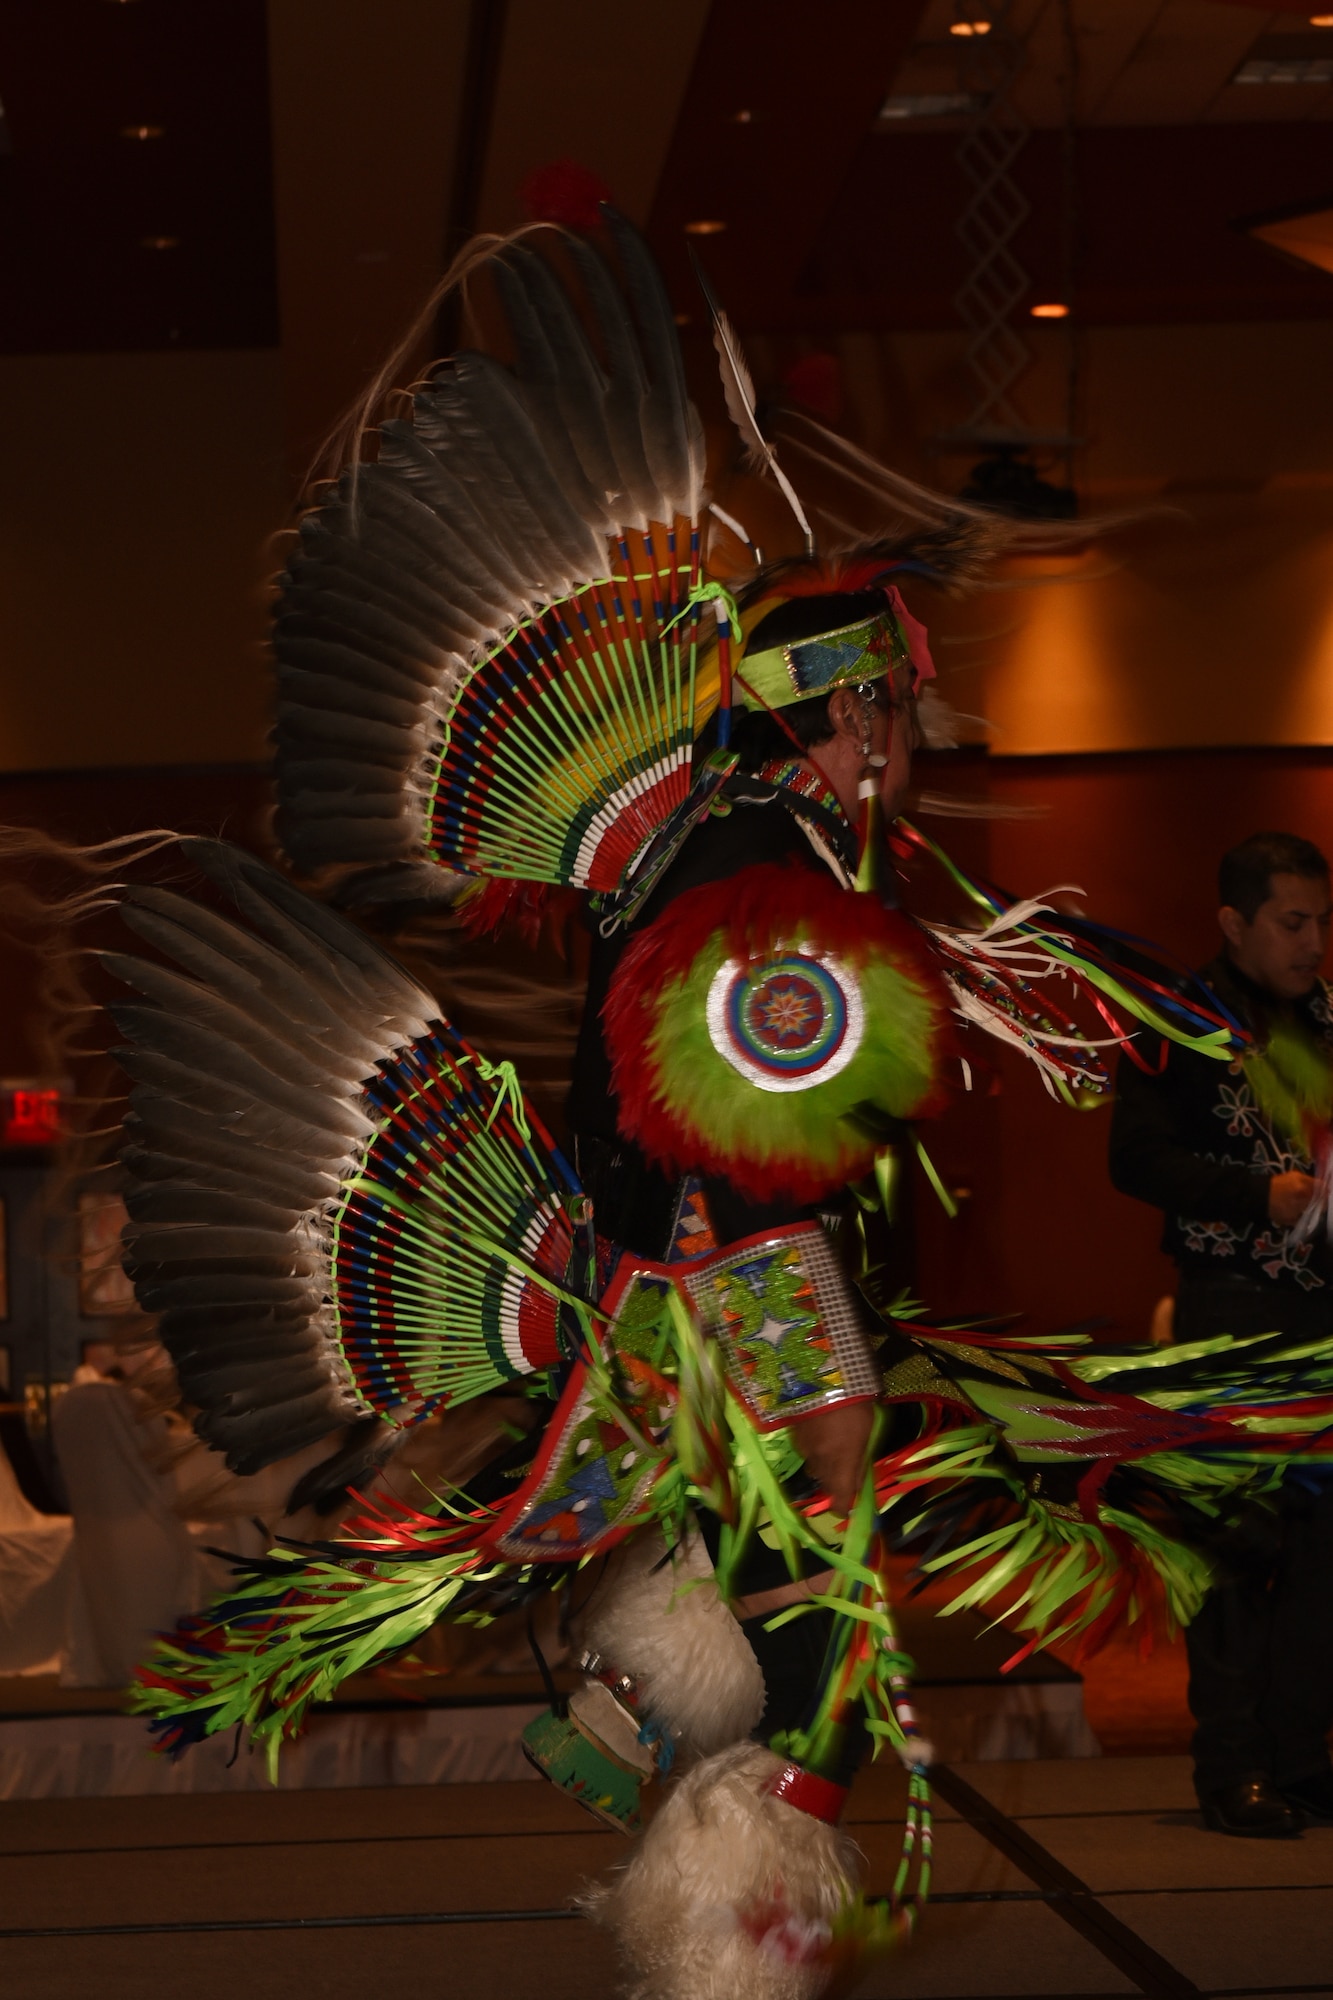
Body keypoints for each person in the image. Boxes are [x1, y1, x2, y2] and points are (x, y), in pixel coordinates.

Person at [1109, 831, 1333, 1837]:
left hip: (1324, 1311)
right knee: (1238, 1547)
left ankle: (1301, 1758)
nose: (1313, 941)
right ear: (1233, 923)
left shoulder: (1332, 1018)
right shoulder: (1174, 1017)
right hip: (1229, 1307)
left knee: (1324, 1549)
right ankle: (1232, 1768)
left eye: (1323, 920)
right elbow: (1134, 1157)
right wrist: (1256, 1195)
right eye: (1293, 922)